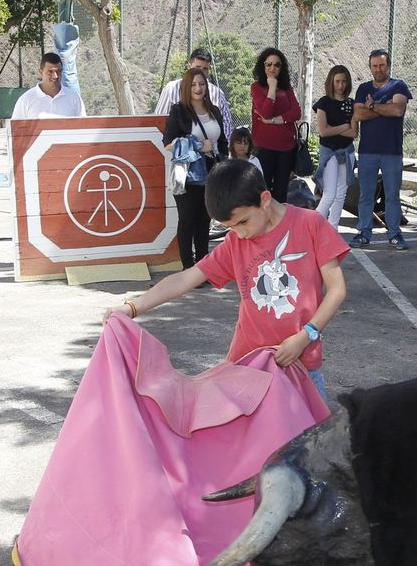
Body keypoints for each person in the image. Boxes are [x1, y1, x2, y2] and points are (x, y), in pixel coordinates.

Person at [109, 159, 349, 399]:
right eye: (230, 227)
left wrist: (306, 336)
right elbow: (185, 279)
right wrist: (132, 307)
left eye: (243, 222)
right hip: (248, 365)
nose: (240, 233)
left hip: (302, 362)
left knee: (312, 423)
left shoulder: (310, 224)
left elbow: (337, 290)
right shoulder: (235, 242)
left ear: (265, 199)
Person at [163, 66, 229, 270]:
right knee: (187, 220)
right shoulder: (179, 110)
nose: (198, 88)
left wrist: (224, 163)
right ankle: (187, 267)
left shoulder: (214, 110)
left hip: (211, 171)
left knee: (204, 219)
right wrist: (198, 146)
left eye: (201, 84)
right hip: (187, 173)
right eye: (193, 85)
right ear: (186, 88)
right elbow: (168, 143)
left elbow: (223, 141)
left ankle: (202, 265)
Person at [352, 48, 413, 250]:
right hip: (367, 151)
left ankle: (394, 233)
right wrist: (384, 108)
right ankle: (363, 233)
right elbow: (358, 115)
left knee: (392, 195)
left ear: (388, 66)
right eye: (375, 66)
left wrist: (371, 106)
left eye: (382, 65)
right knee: (366, 195)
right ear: (370, 67)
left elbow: (397, 110)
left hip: (392, 151)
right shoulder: (363, 88)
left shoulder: (399, 85)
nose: (378, 69)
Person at [250, 47, 300, 204]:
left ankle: (280, 219)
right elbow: (265, 112)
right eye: (269, 64)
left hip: (286, 148)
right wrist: (271, 88)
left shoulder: (287, 88)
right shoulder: (256, 87)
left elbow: (296, 113)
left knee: (281, 191)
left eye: (277, 65)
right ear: (263, 66)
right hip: (263, 147)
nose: (272, 68)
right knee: (262, 190)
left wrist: (274, 120)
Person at [313, 65, 358, 231]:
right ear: (331, 82)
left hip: (347, 152)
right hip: (329, 153)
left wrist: (335, 129)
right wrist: (344, 126)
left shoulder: (351, 104)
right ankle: (311, 228)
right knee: (329, 194)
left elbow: (354, 133)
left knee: (341, 195)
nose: (341, 85)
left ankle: (332, 229)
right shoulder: (323, 103)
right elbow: (323, 132)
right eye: (337, 81)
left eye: (344, 81)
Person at [153, 46, 232, 126]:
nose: (200, 72)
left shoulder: (217, 94)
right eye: (197, 67)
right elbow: (158, 121)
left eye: (205, 69)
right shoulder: (171, 89)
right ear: (189, 66)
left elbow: (227, 125)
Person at [12, 52, 85, 119]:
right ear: (41, 72)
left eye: (58, 71)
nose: (55, 76)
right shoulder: (26, 99)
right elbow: (15, 127)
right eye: (50, 72)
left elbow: (83, 126)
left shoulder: (74, 98)